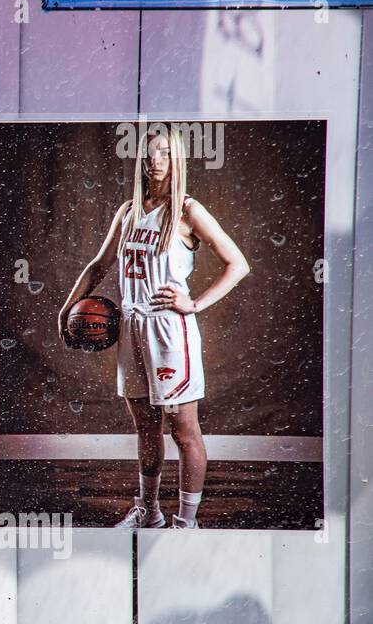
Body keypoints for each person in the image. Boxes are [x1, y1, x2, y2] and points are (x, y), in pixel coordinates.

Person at [59, 128, 250, 529]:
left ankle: (186, 523)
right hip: (132, 327)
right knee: (146, 429)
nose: (155, 160)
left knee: (183, 430)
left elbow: (238, 264)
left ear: (177, 158)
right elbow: (99, 265)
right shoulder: (129, 211)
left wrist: (194, 304)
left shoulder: (187, 211)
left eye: (164, 152)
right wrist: (67, 309)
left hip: (169, 330)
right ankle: (150, 512)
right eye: (149, 153)